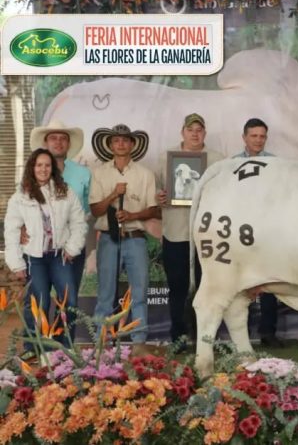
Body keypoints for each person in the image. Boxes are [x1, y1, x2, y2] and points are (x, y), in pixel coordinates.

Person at [4, 149, 87, 354]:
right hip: (35, 258)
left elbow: (79, 221)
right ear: (32, 168)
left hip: (60, 256)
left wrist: (72, 247)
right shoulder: (20, 197)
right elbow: (12, 230)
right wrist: (16, 263)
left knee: (69, 300)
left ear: (53, 169)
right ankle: (34, 347)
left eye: (47, 165)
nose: (43, 169)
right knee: (38, 301)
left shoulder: (65, 191)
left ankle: (63, 347)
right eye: (39, 165)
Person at [156, 113, 225, 349]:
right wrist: (161, 197)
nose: (195, 133)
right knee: (178, 287)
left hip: (208, 236)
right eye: (190, 129)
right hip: (176, 233)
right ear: (182, 132)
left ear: (204, 132)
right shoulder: (166, 158)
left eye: (199, 129)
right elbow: (157, 192)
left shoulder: (218, 160)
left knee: (209, 287)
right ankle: (179, 337)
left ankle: (207, 338)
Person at [90, 124, 158, 345]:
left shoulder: (145, 174)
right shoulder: (99, 173)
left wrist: (132, 215)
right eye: (116, 140)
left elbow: (154, 209)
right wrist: (113, 195)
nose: (121, 144)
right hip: (108, 238)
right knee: (105, 294)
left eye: (125, 140)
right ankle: (102, 340)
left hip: (135, 238)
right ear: (110, 145)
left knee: (139, 293)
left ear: (132, 144)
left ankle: (139, 341)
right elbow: (95, 210)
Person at [233, 118, 283, 348]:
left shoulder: (276, 163)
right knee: (238, 282)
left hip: (268, 231)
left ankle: (268, 333)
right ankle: (238, 334)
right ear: (244, 138)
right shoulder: (231, 164)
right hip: (239, 231)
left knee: (269, 282)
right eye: (253, 136)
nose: (258, 140)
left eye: (262, 136)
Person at [29, 120, 91, 295]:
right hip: (39, 249)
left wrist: (74, 242)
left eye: (63, 138)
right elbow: (21, 210)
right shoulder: (33, 174)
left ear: (69, 144)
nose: (58, 142)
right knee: (39, 300)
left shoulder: (83, 173)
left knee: (68, 301)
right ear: (45, 143)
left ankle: (65, 324)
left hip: (72, 247)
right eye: (53, 138)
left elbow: (87, 210)